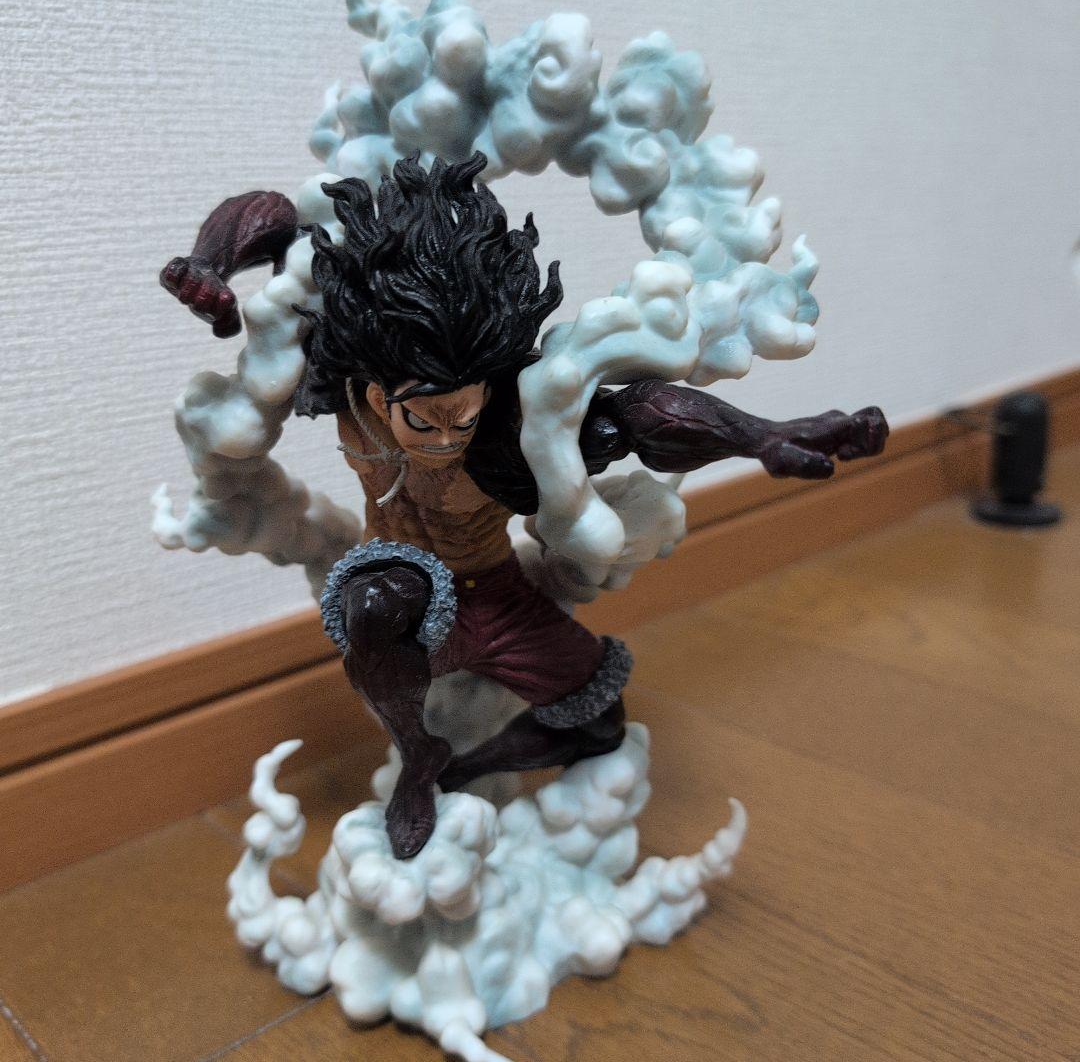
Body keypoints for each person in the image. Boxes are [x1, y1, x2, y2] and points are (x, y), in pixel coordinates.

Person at [162, 151, 888, 857]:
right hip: (398, 577)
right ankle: (419, 756)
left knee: (598, 721)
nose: (447, 440)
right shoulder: (346, 381)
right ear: (379, 396)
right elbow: (283, 226)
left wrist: (766, 437)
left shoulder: (512, 425)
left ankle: (461, 769)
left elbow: (638, 414)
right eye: (424, 421)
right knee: (375, 608)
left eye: (463, 417)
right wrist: (208, 267)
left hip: (499, 595)